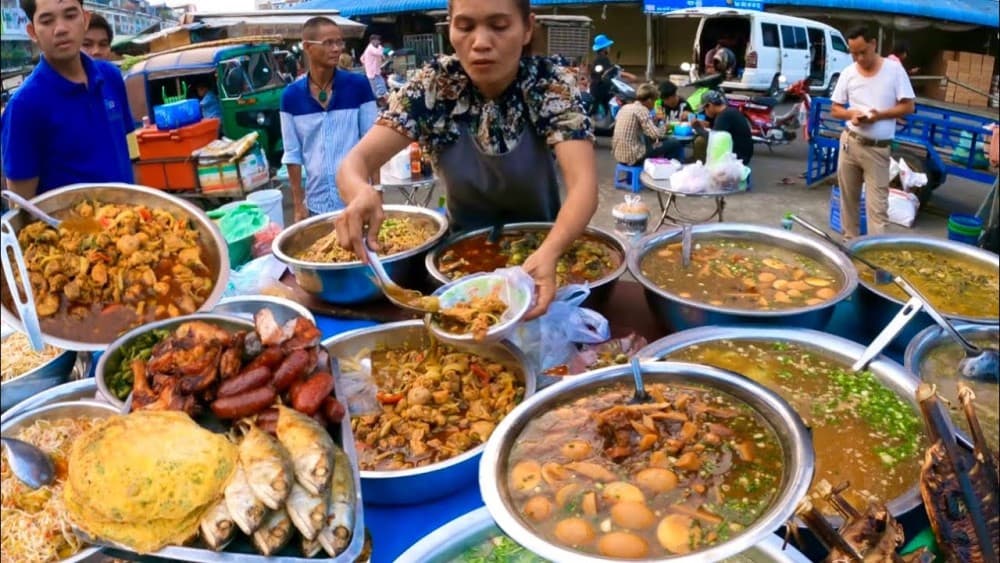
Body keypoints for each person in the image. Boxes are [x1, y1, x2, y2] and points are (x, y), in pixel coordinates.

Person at [335, 0, 597, 320]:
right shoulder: (432, 86)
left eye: (499, 26)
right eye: (465, 27)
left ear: (527, 28)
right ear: (450, 27)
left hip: (548, 251)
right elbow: (355, 163)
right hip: (458, 260)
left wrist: (551, 251)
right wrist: (361, 193)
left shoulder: (551, 84)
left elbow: (583, 185)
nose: (481, 42)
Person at [1, 0, 134, 199]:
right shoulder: (24, 106)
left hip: (129, 221)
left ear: (85, 19)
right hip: (69, 228)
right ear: (32, 32)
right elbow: (22, 204)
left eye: (70, 16)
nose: (61, 29)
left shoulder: (111, 77)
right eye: (47, 21)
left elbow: (131, 147)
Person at [280, 16, 377, 222]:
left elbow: (372, 144)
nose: (336, 49)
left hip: (357, 200)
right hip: (317, 205)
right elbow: (293, 155)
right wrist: (298, 204)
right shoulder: (290, 97)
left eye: (339, 42)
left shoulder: (359, 86)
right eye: (328, 43)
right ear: (307, 47)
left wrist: (377, 191)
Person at [831, 26, 915, 239]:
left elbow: (908, 106)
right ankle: (850, 250)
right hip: (850, 143)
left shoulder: (894, 70)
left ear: (873, 44)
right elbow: (835, 109)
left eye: (862, 52)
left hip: (877, 150)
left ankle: (876, 260)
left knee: (877, 210)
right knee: (848, 203)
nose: (858, 58)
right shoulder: (848, 73)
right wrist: (852, 114)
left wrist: (879, 115)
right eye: (853, 53)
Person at [613, 83, 682, 165]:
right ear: (649, 100)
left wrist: (654, 121)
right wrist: (666, 127)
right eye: (654, 101)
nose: (654, 105)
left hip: (619, 155)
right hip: (634, 156)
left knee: (650, 139)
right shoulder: (642, 110)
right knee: (674, 142)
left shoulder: (625, 108)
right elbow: (656, 135)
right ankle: (668, 169)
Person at [691, 89, 754, 165]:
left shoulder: (724, 116)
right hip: (743, 153)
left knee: (701, 140)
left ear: (710, 105)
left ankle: (701, 166)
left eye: (705, 108)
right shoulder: (729, 111)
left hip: (737, 157)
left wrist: (697, 127)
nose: (705, 112)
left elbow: (713, 140)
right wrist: (709, 125)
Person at [589, 34, 635, 119]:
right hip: (601, 89)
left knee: (603, 106)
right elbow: (608, 72)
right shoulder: (602, 59)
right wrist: (628, 75)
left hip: (598, 88)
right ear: (604, 48)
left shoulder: (600, 59)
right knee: (602, 107)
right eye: (608, 46)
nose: (609, 48)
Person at [359, 34, 387, 100]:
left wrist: (367, 63)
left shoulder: (377, 47)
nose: (379, 42)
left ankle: (380, 100)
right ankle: (378, 101)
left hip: (376, 71)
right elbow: (380, 52)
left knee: (380, 86)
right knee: (377, 89)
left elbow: (361, 58)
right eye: (377, 41)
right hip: (372, 72)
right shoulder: (370, 48)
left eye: (379, 40)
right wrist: (368, 65)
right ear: (372, 41)